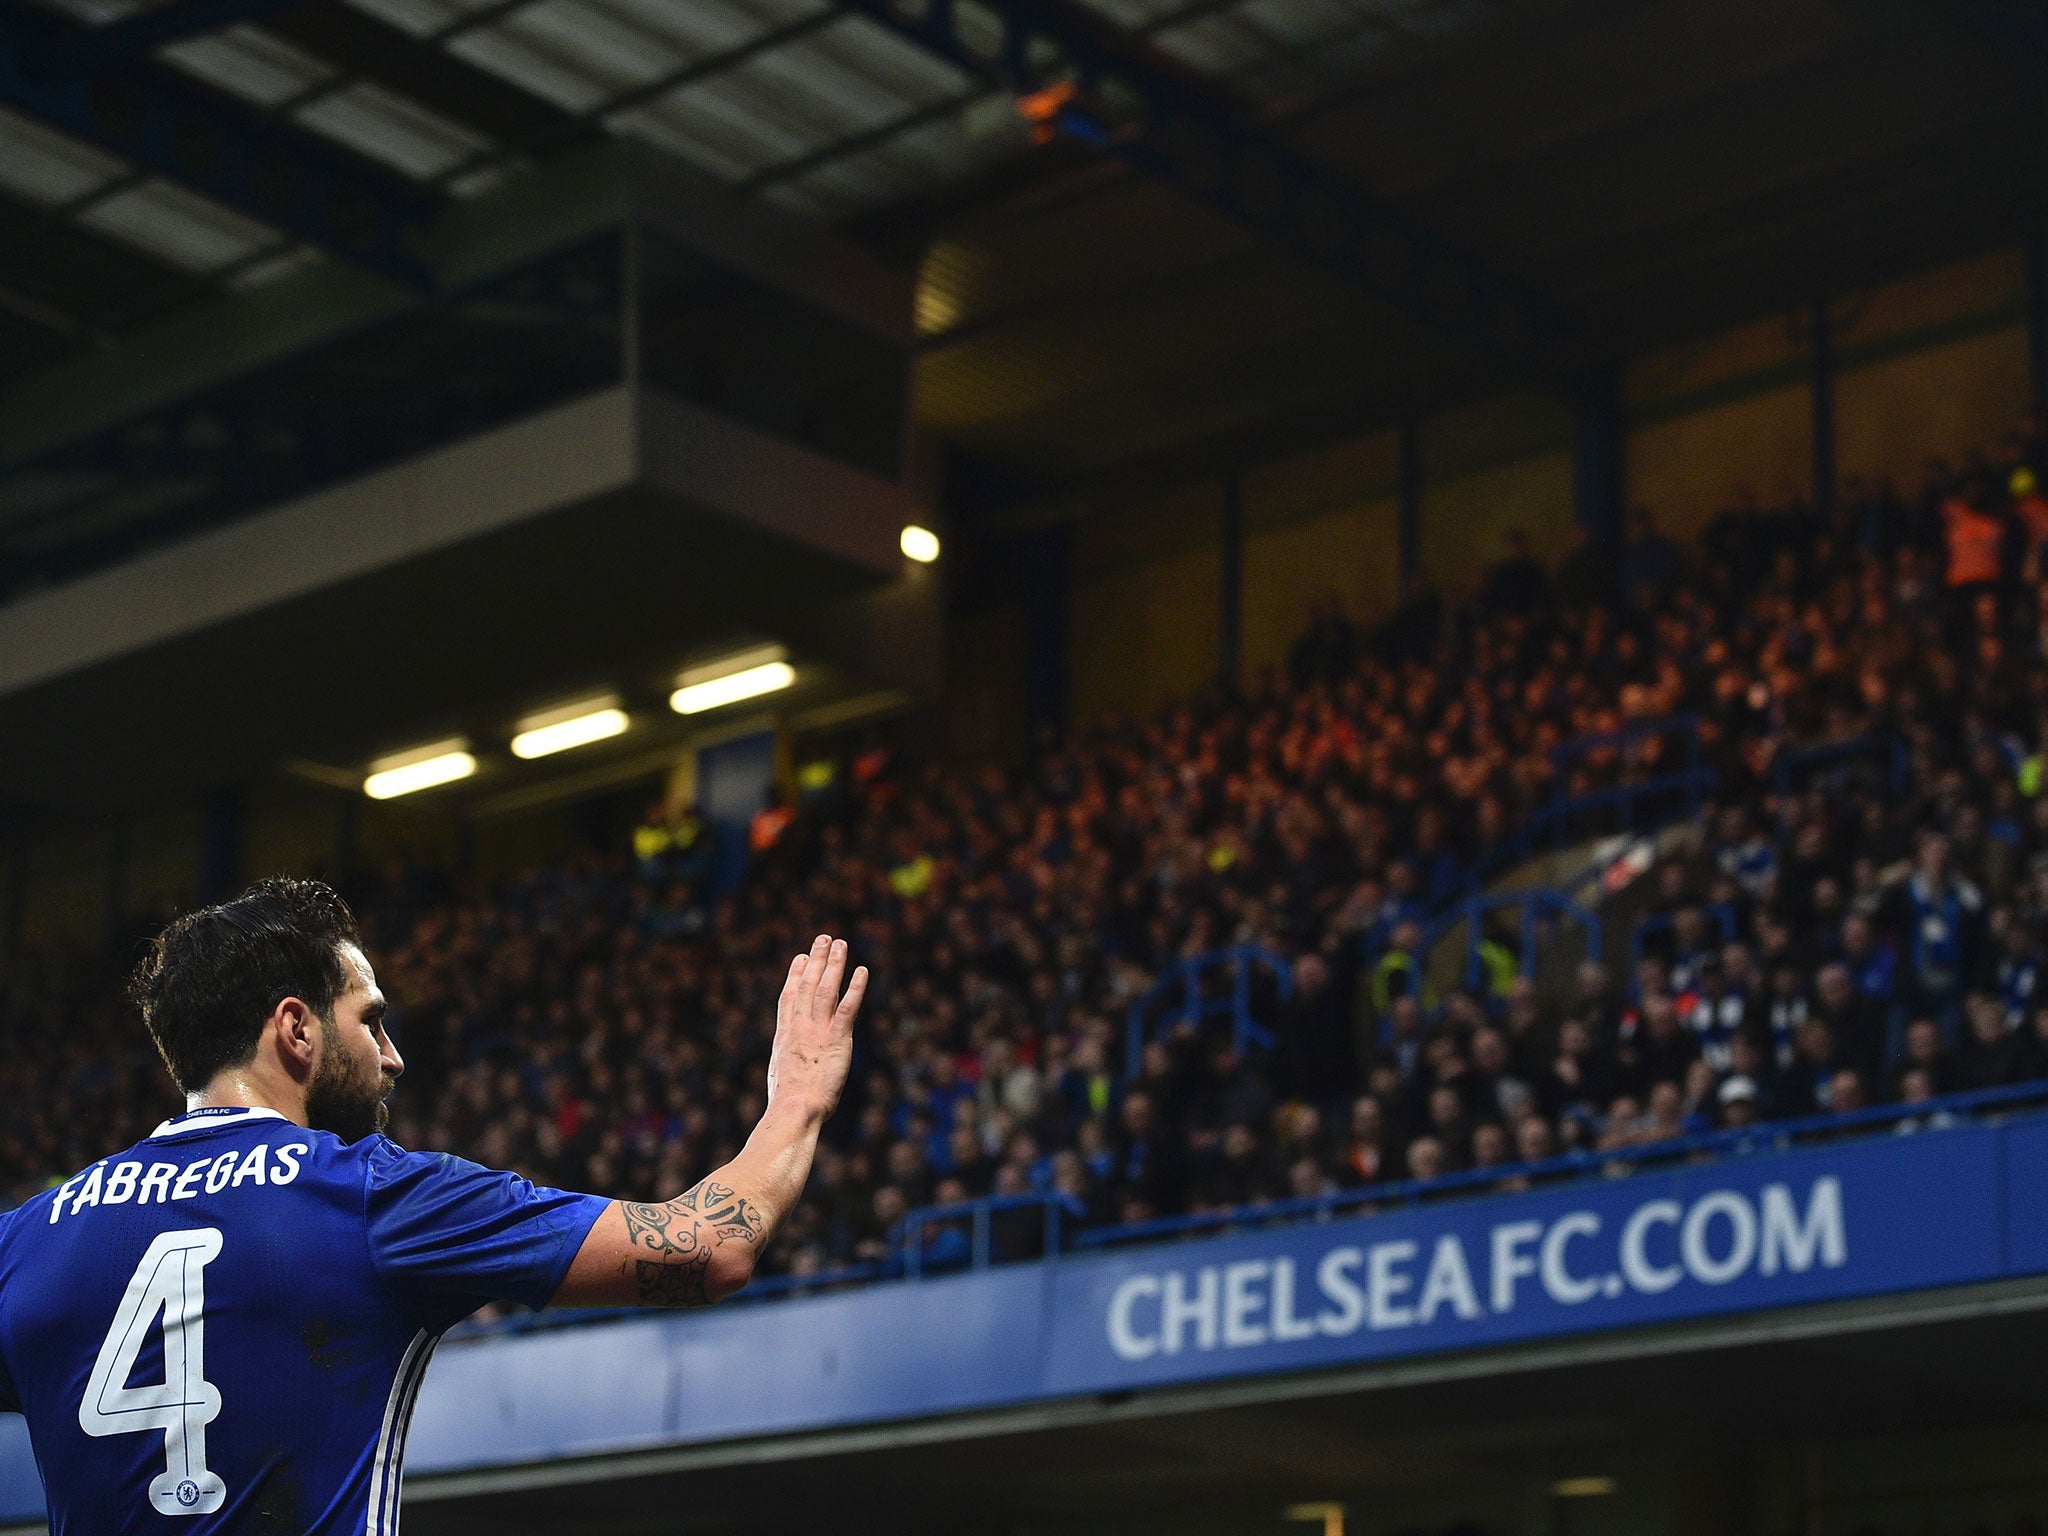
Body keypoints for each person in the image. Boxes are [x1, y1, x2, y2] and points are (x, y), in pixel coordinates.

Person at [0, 879, 865, 1535]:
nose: (394, 1055)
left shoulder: (30, 1239)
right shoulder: (370, 1194)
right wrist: (796, 1101)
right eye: (370, 1021)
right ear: (295, 1030)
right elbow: (707, 1248)